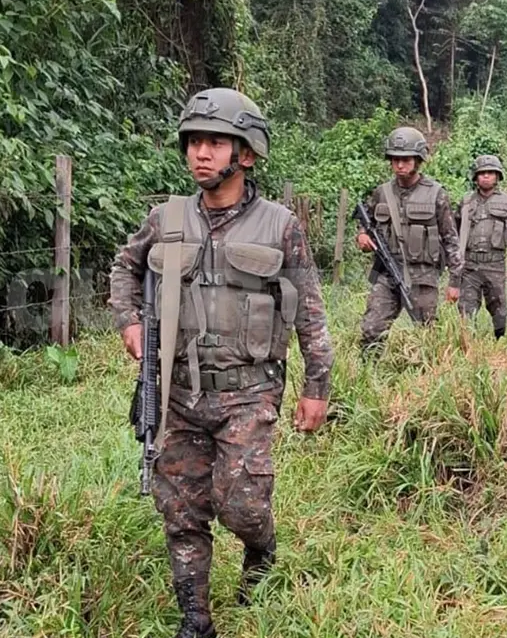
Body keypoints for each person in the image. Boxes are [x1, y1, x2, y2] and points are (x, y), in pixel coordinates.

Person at [108, 87, 334, 638]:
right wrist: (129, 320)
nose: (200, 153)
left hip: (249, 392)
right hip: (177, 391)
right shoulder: (166, 218)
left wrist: (317, 387)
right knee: (181, 510)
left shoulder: (279, 225)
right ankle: (196, 620)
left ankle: (262, 547)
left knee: (242, 505)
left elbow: (309, 309)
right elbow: (125, 267)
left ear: (246, 153)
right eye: (193, 142)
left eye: (215, 142)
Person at [355, 126, 462, 355]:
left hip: (422, 276)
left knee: (427, 335)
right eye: (395, 160)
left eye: (405, 160)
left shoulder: (436, 194)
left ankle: (429, 374)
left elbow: (450, 238)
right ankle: (369, 372)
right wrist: (362, 235)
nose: (399, 165)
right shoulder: (382, 193)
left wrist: (455, 281)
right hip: (387, 273)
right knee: (371, 330)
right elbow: (365, 220)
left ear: (418, 160)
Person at [455, 155, 507, 339]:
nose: (486, 176)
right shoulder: (466, 201)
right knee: (466, 310)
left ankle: (499, 342)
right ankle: (469, 345)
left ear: (497, 176)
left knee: (499, 312)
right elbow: (453, 232)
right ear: (475, 177)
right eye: (482, 173)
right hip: (470, 266)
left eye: (490, 173)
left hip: (495, 265)